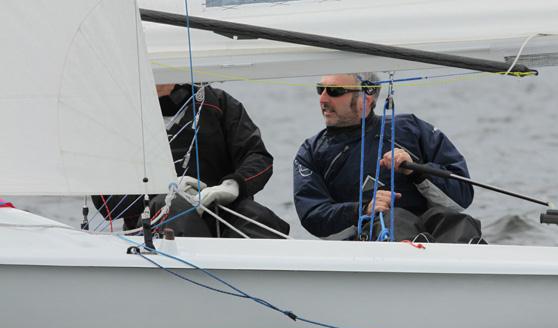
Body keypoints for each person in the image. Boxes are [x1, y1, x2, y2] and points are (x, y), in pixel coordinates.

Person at [293, 72, 482, 243]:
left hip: (430, 227)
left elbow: (461, 197)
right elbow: (313, 217)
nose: (323, 98)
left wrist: (416, 171)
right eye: (320, 89)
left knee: (458, 222)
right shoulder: (311, 151)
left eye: (334, 91)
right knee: (393, 218)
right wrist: (363, 208)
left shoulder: (412, 129)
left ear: (365, 99)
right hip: (370, 238)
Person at [93, 83, 289, 238]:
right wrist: (161, 187)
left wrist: (233, 185)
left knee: (256, 217)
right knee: (172, 206)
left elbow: (257, 156)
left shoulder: (217, 103)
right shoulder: (122, 115)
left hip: (218, 209)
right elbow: (107, 203)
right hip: (154, 225)